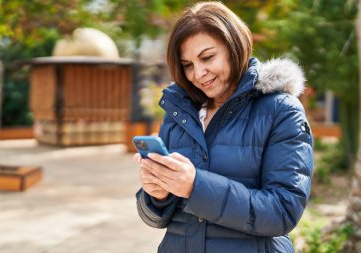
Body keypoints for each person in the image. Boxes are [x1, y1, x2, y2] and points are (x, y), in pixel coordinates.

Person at [134, 1, 314, 253]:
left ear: (234, 47)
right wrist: (156, 195)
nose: (198, 73)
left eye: (207, 57)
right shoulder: (179, 113)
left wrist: (196, 186)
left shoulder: (281, 111)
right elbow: (157, 218)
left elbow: (283, 212)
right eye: (187, 65)